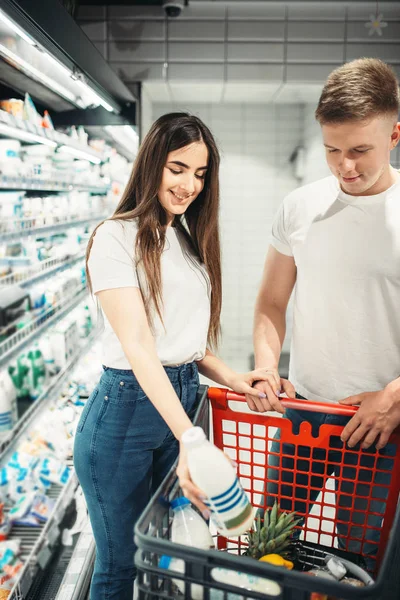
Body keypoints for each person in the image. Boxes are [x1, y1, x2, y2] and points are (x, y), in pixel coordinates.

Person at [74, 112, 270, 600]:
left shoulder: (185, 238)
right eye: (178, 168)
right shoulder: (114, 237)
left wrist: (236, 379)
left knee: (165, 552)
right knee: (121, 564)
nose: (189, 186)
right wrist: (191, 438)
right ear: (152, 163)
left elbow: (189, 344)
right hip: (125, 414)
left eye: (200, 175)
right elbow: (140, 347)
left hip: (181, 399)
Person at [250, 58, 400, 570]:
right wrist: (267, 364)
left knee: (361, 566)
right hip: (306, 416)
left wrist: (394, 396)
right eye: (332, 150)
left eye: (360, 150)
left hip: (381, 425)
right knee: (269, 548)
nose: (345, 167)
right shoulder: (299, 206)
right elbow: (271, 301)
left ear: (395, 134)